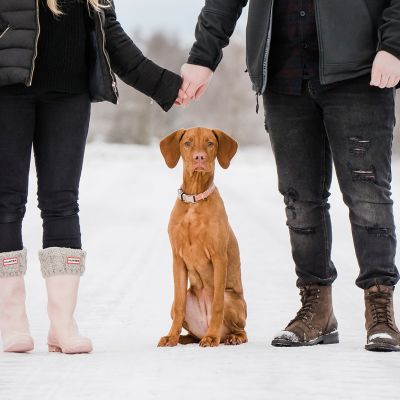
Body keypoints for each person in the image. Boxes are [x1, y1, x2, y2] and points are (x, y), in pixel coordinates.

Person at [177, 0, 400, 352]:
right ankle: (317, 308)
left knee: (367, 195)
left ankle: (379, 308)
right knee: (300, 201)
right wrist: (203, 57)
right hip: (284, 74)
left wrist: (394, 44)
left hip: (359, 71)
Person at [0, 0, 181, 354]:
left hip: (69, 96)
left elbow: (113, 40)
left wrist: (166, 85)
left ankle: (63, 324)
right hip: (7, 93)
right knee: (6, 202)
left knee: (62, 202)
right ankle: (12, 322)